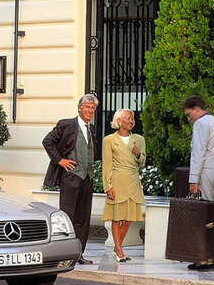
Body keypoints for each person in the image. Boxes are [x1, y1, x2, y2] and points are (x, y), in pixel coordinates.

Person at [43, 93, 98, 264]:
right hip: (71, 178)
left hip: (86, 178)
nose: (90, 110)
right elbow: (47, 142)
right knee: (67, 218)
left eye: (93, 108)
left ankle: (78, 254)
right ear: (79, 108)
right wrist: (60, 160)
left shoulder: (91, 129)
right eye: (87, 107)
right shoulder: (66, 125)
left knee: (83, 219)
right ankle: (64, 254)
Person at [183, 95, 214, 270]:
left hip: (206, 171)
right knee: (210, 215)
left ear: (196, 109)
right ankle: (208, 257)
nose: (189, 118)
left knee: (201, 215)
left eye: (189, 114)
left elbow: (198, 153)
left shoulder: (201, 123)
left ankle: (202, 259)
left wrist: (193, 179)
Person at [101, 109, 145, 262]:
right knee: (116, 218)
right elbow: (107, 165)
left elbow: (143, 162)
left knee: (128, 219)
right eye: (128, 118)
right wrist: (108, 186)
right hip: (117, 181)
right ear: (119, 121)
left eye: (132, 118)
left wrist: (138, 153)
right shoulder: (109, 140)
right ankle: (119, 251)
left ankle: (117, 247)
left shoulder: (139, 139)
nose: (131, 121)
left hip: (133, 181)